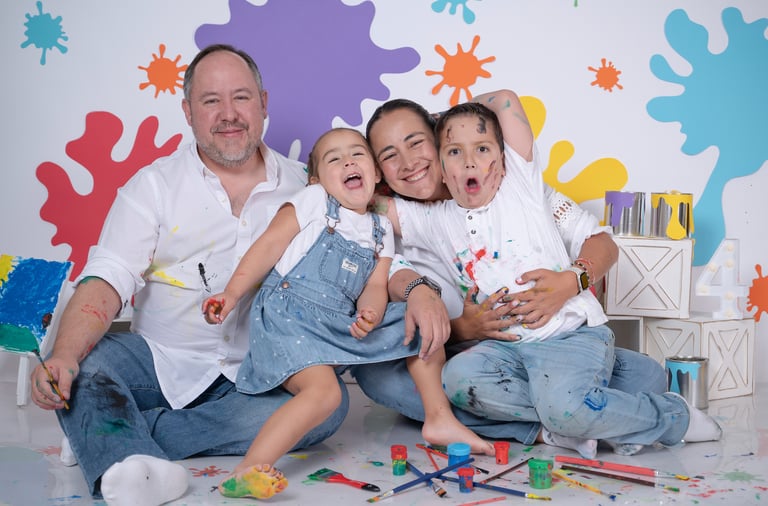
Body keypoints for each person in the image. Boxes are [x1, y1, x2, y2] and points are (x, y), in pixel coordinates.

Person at [28, 44, 350, 506]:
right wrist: (64, 356)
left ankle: (120, 442)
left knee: (328, 406)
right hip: (159, 362)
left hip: (261, 373)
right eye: (210, 100)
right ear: (187, 111)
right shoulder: (152, 186)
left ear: (263, 102)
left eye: (241, 97)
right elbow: (109, 275)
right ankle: (130, 464)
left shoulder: (307, 188)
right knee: (84, 361)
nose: (228, 114)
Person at [380, 101, 723, 456]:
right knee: (457, 380)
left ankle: (673, 418)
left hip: (564, 336)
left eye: (481, 149)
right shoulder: (431, 220)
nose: (468, 161)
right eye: (453, 151)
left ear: (501, 160)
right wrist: (329, 179)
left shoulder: (521, 190)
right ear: (442, 163)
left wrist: (571, 280)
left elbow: (506, 99)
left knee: (628, 383)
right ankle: (583, 420)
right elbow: (368, 205)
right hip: (504, 350)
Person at [202, 127, 492, 499]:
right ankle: (247, 469)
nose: (348, 161)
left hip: (338, 321)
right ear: (316, 179)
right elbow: (269, 245)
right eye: (334, 158)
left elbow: (374, 284)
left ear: (374, 174)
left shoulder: (380, 228)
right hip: (290, 320)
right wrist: (231, 292)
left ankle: (439, 419)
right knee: (326, 395)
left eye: (357, 154)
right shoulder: (314, 201)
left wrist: (371, 312)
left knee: (420, 317)